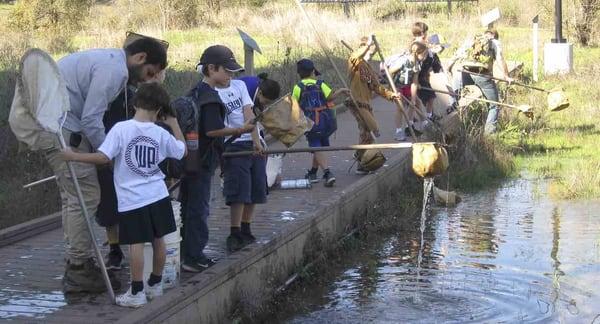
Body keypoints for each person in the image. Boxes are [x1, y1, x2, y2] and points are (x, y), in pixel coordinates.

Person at [42, 37, 167, 293]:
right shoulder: (115, 70)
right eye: (149, 73)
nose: (146, 80)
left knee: (74, 197)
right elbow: (91, 118)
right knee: (84, 196)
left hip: (55, 122)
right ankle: (79, 268)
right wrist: (107, 153)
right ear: (140, 58)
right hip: (61, 126)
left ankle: (77, 260)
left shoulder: (109, 61)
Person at [60, 82, 186, 308]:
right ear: (159, 110)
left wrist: (74, 156)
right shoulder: (161, 132)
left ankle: (136, 291)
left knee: (136, 244)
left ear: (136, 103)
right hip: (158, 194)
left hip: (132, 198)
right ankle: (155, 284)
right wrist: (174, 124)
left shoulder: (121, 129)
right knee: (159, 240)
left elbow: (103, 157)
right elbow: (181, 150)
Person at [179, 45, 254, 272]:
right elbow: (212, 131)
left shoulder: (194, 92)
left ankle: (187, 254)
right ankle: (194, 257)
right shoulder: (210, 98)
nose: (230, 76)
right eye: (227, 71)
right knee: (199, 209)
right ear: (211, 69)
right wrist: (238, 130)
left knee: (188, 206)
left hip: (190, 159)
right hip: (202, 161)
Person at [217, 74, 277, 252]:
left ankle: (246, 227)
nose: (229, 75)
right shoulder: (214, 91)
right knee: (239, 189)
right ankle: (234, 231)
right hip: (234, 144)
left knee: (256, 186)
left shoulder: (240, 86)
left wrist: (257, 141)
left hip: (252, 141)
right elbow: (247, 117)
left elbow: (250, 115)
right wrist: (255, 141)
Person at [346, 36, 399, 174]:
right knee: (368, 129)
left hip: (366, 103)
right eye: (370, 52)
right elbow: (356, 55)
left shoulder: (368, 67)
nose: (371, 54)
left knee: (368, 132)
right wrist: (368, 44)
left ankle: (362, 160)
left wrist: (390, 95)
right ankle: (360, 157)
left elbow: (376, 86)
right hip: (356, 102)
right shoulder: (355, 61)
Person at [293, 59, 348, 186]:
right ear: (313, 71)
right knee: (318, 147)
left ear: (299, 74)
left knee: (316, 147)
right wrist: (340, 91)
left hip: (309, 123)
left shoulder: (298, 87)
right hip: (325, 121)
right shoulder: (321, 84)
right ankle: (312, 173)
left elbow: (294, 105)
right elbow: (330, 97)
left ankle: (328, 173)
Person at [449, 27, 514, 134]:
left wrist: (449, 68)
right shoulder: (495, 42)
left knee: (453, 97)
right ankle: (489, 133)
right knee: (494, 105)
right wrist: (506, 76)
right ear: (495, 36)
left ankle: (451, 127)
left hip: (464, 72)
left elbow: (457, 54)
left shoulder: (473, 40)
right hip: (483, 75)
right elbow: (500, 59)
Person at [384, 41, 429, 141]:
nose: (425, 56)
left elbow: (414, 83)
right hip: (397, 87)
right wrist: (392, 88)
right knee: (400, 107)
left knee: (416, 102)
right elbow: (390, 71)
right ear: (418, 53)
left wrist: (412, 99)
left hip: (408, 85)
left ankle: (416, 124)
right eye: (424, 54)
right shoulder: (404, 61)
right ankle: (398, 131)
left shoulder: (417, 65)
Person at [411, 22, 444, 122]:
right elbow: (419, 58)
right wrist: (428, 49)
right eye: (425, 32)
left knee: (429, 98)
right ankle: (422, 120)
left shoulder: (422, 43)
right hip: (416, 77)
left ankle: (428, 117)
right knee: (419, 101)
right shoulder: (416, 45)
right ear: (422, 32)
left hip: (421, 76)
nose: (426, 34)